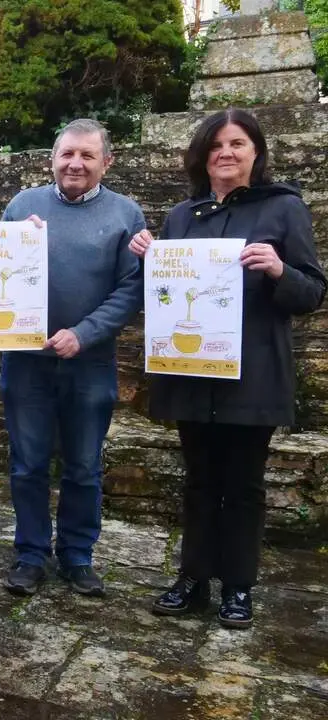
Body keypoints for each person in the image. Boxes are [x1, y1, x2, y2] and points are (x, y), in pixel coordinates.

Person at [129, 109, 326, 629]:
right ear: (202, 155)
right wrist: (148, 257)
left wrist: (281, 269)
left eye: (238, 143)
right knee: (197, 481)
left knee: (242, 485)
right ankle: (192, 577)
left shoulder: (284, 210)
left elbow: (312, 292)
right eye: (216, 144)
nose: (227, 153)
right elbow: (169, 295)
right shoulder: (181, 216)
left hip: (252, 373)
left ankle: (238, 587)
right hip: (192, 370)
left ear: (255, 152)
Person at [0, 119, 147, 598]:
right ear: (52, 158)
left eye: (86, 155)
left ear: (107, 161)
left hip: (89, 362)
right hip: (26, 361)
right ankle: (31, 553)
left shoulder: (126, 214)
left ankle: (78, 556)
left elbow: (131, 289)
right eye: (67, 154)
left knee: (84, 464)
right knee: (27, 463)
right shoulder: (22, 206)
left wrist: (84, 334)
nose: (75, 164)